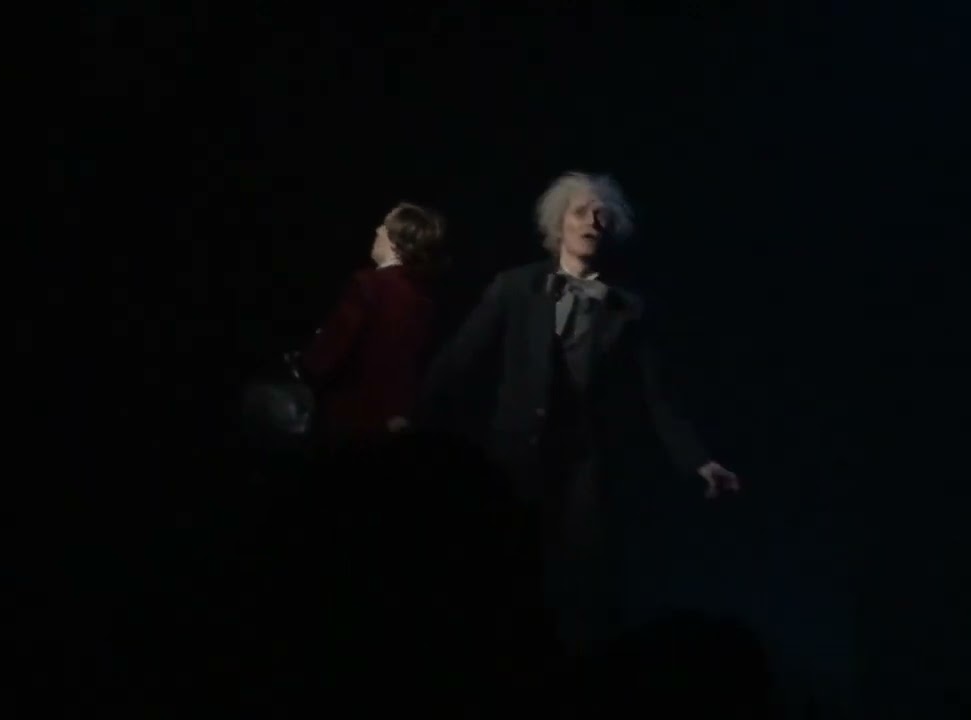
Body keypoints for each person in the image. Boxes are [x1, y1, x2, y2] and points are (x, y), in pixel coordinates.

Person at [418, 171, 740, 660]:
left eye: (602, 215)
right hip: (517, 452)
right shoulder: (515, 287)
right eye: (581, 212)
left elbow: (658, 397)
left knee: (581, 579)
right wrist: (412, 417)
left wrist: (699, 461)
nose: (593, 221)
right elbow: (460, 359)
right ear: (558, 224)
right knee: (507, 565)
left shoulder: (629, 308)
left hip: (586, 461)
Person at [299, 201, 445, 453]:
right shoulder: (423, 297)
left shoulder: (368, 285)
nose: (377, 230)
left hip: (354, 419)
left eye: (384, 227)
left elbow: (331, 351)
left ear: (396, 241)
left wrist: (306, 366)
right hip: (398, 420)